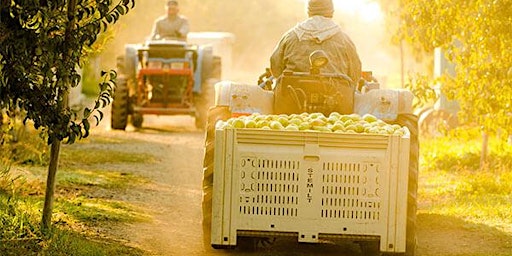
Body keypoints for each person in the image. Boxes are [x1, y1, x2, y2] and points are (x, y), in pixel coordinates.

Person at [270, 0, 362, 84]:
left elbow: (275, 67)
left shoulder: (290, 36)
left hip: (292, 96)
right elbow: (355, 74)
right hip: (337, 98)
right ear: (331, 12)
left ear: (309, 11)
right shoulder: (344, 39)